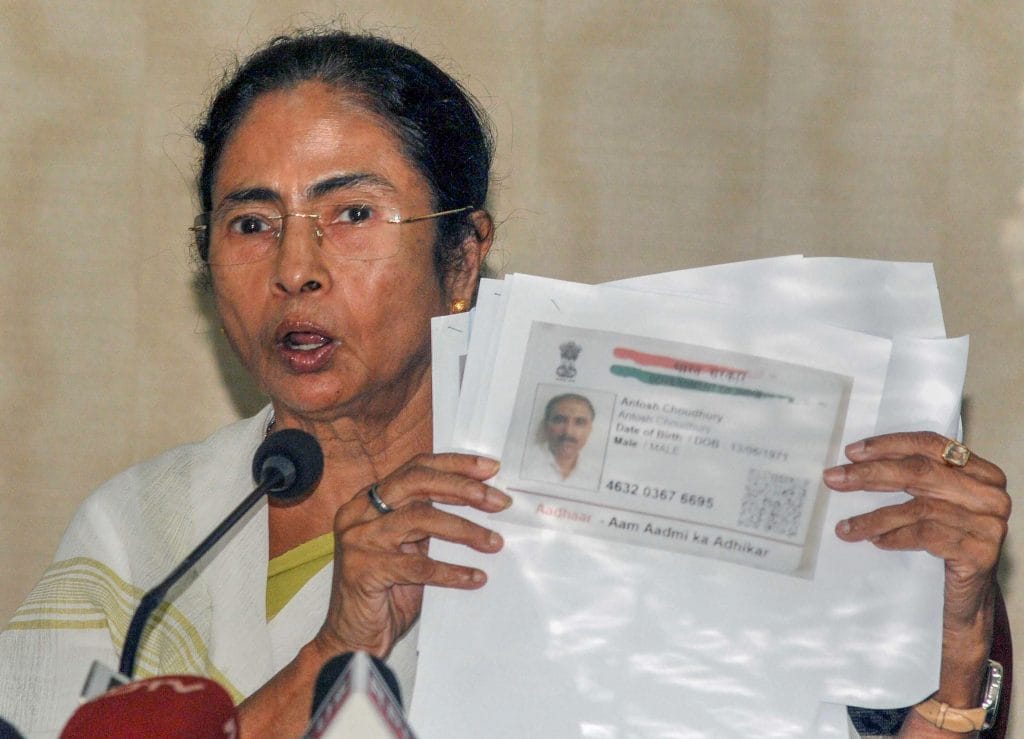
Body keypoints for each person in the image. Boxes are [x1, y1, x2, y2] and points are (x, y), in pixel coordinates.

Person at [0, 28, 1011, 739]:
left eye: (352, 215)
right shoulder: (146, 537)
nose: (295, 268)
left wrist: (956, 641)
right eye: (251, 222)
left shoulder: (620, 496)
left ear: (463, 252)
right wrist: (334, 649)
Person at [522, 392, 602, 487]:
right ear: (546, 425)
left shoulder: (596, 475)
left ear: (589, 429)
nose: (568, 432)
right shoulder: (523, 462)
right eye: (560, 421)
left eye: (579, 423)